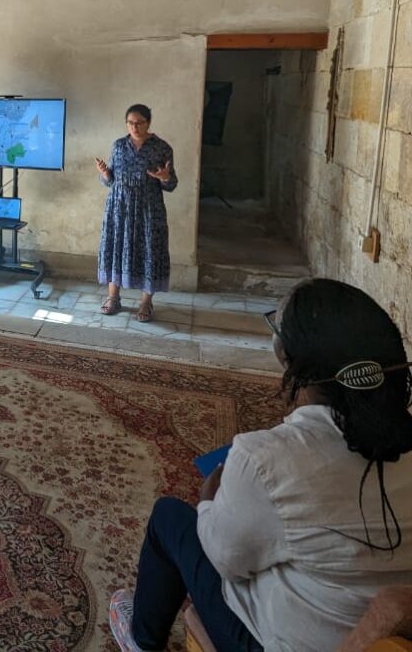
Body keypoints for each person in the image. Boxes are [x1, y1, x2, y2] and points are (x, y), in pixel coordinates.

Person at [109, 279, 412, 652]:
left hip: (286, 641)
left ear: (289, 356)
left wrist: (208, 498)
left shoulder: (268, 458)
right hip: (382, 635)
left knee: (169, 518)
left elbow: (225, 560)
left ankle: (141, 641)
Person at [95, 104, 176, 322]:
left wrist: (165, 177)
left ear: (148, 123)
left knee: (149, 251)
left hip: (149, 210)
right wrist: (104, 174)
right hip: (119, 209)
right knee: (117, 248)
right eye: (130, 122)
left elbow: (171, 184)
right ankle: (113, 298)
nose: (135, 127)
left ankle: (146, 302)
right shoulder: (119, 146)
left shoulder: (162, 148)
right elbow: (110, 181)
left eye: (139, 122)